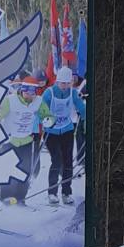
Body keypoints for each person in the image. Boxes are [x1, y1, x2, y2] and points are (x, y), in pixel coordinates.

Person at [0, 75, 50, 204]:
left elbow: (46, 114)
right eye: (26, 91)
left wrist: (48, 120)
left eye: (32, 92)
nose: (29, 95)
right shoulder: (11, 100)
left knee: (26, 169)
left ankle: (20, 197)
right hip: (10, 140)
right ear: (21, 89)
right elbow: (0, 114)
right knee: (8, 168)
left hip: (27, 140)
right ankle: (5, 196)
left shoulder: (38, 101)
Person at [40, 65, 86, 204]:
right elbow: (41, 110)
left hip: (66, 129)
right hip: (51, 132)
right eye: (62, 83)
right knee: (56, 160)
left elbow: (81, 108)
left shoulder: (73, 93)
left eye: (67, 83)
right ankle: (52, 193)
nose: (65, 86)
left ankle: (66, 193)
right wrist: (46, 119)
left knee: (67, 162)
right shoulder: (49, 93)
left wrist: (86, 118)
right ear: (57, 81)